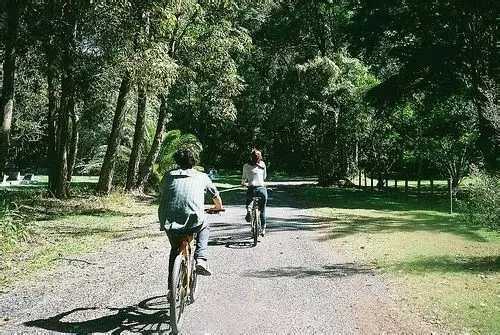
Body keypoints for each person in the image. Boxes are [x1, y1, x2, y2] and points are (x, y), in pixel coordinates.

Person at [158, 147, 223, 286]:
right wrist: (218, 208)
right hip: (193, 219)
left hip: (168, 219)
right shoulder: (202, 176)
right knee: (205, 224)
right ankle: (201, 259)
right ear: (194, 160)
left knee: (175, 250)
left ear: (176, 160)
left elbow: (162, 191)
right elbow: (215, 196)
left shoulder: (168, 175)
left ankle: (171, 289)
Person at [241, 149, 268, 236]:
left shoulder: (246, 166)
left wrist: (243, 183)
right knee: (262, 210)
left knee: (249, 200)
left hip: (251, 188)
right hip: (261, 189)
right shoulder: (262, 164)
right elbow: (264, 177)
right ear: (260, 157)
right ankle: (263, 228)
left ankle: (249, 210)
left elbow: (243, 179)